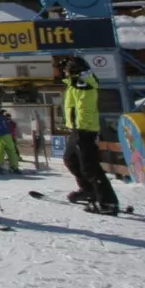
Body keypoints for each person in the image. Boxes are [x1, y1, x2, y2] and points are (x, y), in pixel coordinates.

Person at [59, 55, 120, 214]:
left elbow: (84, 87)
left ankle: (108, 202)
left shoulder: (84, 82)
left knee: (90, 167)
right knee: (71, 160)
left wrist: (75, 70)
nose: (64, 72)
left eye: (66, 70)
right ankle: (88, 190)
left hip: (85, 129)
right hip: (76, 129)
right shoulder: (74, 84)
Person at [0, 93, 22, 174]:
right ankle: (13, 166)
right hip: (3, 131)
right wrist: (4, 116)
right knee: (10, 149)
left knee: (0, 148)